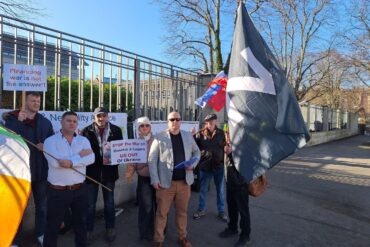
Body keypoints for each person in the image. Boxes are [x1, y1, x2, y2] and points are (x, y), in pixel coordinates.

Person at [4, 91, 54, 246]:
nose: (36, 104)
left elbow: (53, 143)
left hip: (40, 172)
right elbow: (8, 139)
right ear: (25, 102)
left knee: (42, 207)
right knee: (17, 208)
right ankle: (14, 240)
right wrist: (18, 122)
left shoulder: (45, 122)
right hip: (19, 173)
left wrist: (46, 146)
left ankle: (40, 234)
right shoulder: (12, 119)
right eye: (33, 101)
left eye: (38, 101)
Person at [43, 111, 95, 247]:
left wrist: (71, 162)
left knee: (81, 224)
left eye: (74, 121)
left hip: (80, 190)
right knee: (53, 226)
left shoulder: (83, 140)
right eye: (68, 121)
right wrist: (79, 156)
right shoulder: (50, 141)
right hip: (58, 192)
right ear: (61, 122)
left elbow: (91, 158)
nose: (72, 123)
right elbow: (56, 163)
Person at [149, 111, 200, 247]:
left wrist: (193, 164)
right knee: (161, 213)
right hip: (166, 184)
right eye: (172, 119)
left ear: (180, 121)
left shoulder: (188, 135)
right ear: (168, 121)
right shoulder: (159, 137)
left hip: (184, 183)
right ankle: (158, 240)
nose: (175, 122)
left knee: (182, 212)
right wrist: (154, 179)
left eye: (177, 119)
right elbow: (152, 159)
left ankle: (182, 237)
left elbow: (197, 152)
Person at [80, 106, 123, 243]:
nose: (101, 118)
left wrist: (114, 159)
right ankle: (88, 230)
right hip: (91, 174)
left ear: (107, 116)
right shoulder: (86, 131)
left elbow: (121, 150)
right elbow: (82, 151)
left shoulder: (116, 130)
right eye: (98, 116)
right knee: (90, 205)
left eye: (103, 115)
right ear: (94, 117)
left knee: (109, 203)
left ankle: (110, 228)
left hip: (109, 174)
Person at [193, 113, 228, 222]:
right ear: (206, 123)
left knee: (220, 190)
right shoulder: (200, 134)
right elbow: (194, 147)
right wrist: (193, 136)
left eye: (212, 121)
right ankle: (201, 209)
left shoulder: (222, 134)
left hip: (218, 166)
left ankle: (221, 211)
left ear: (216, 122)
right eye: (208, 121)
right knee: (203, 189)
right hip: (205, 167)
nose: (210, 123)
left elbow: (226, 147)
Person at [126, 116, 156, 241]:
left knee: (160, 206)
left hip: (158, 178)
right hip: (144, 179)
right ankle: (145, 232)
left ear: (150, 127)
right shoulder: (135, 143)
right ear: (138, 129)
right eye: (142, 126)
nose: (145, 128)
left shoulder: (158, 140)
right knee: (146, 207)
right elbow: (132, 161)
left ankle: (159, 231)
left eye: (147, 125)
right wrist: (130, 172)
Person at [219, 144, 251, 247]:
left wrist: (231, 153)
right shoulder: (231, 137)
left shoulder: (246, 139)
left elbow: (246, 159)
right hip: (230, 180)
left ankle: (245, 236)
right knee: (232, 207)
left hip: (241, 182)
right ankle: (232, 228)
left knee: (243, 210)